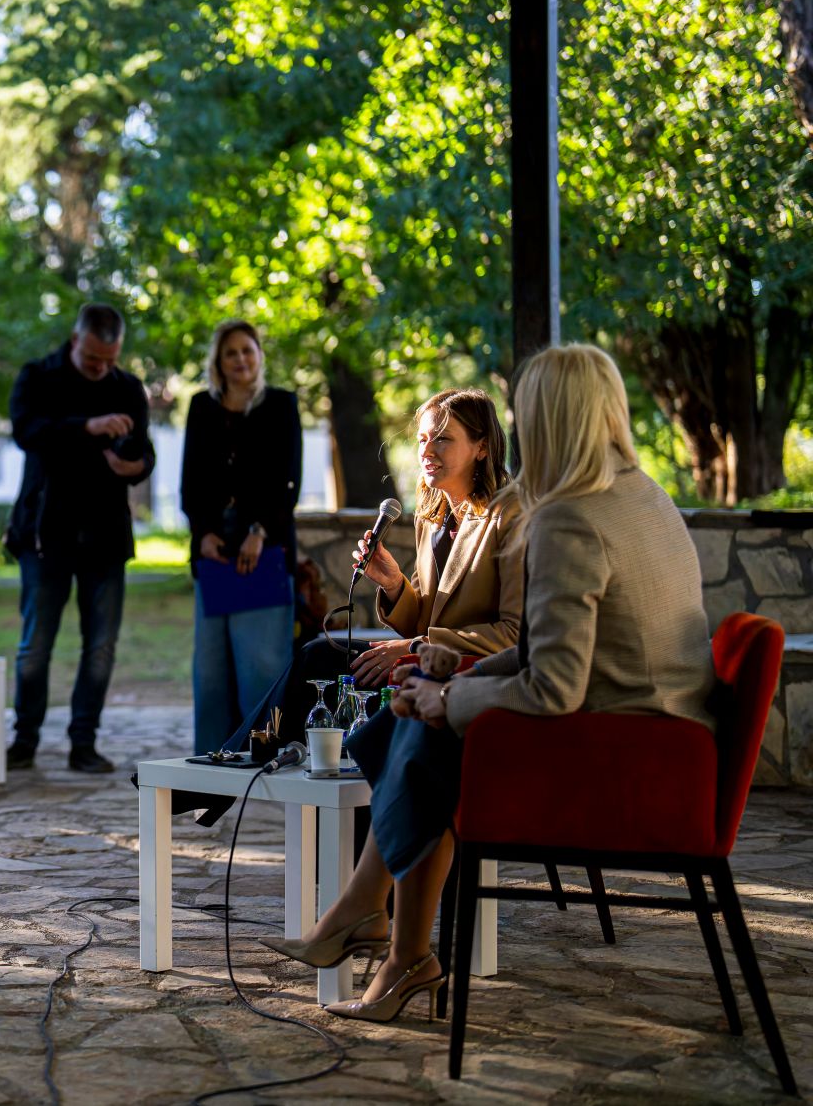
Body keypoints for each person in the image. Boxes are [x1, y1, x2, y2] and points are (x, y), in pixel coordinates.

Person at [262, 344, 716, 1023]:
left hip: (628, 756)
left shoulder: (565, 517)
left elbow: (555, 682)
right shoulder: (643, 495)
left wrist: (450, 692)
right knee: (415, 714)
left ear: (547, 418)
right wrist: (444, 672)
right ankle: (389, 941)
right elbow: (546, 649)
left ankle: (374, 923)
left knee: (435, 728)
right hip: (660, 735)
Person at [276, 387, 521, 733]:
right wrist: (393, 585)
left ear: (481, 447)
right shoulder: (433, 518)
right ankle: (256, 752)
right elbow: (421, 620)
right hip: (423, 655)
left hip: (468, 670)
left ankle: (255, 755)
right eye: (422, 440)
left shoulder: (511, 515)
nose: (427, 451)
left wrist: (419, 647)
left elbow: (514, 635)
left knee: (321, 661)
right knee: (317, 655)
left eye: (443, 439)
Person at [3, 303, 155, 774]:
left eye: (110, 360)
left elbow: (143, 451)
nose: (101, 368)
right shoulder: (38, 377)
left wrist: (136, 467)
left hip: (106, 536)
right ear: (75, 340)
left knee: (100, 647)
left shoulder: (128, 389)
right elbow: (26, 432)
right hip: (46, 532)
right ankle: (24, 739)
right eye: (93, 359)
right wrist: (86, 428)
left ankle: (83, 742)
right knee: (35, 645)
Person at [180, 320, 302, 754]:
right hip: (214, 555)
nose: (240, 360)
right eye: (230, 352)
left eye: (247, 350)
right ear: (218, 361)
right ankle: (210, 764)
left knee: (263, 669)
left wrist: (259, 532)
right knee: (211, 672)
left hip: (264, 554)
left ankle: (265, 755)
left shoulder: (282, 405)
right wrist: (202, 535)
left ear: (259, 355)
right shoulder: (201, 407)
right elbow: (190, 482)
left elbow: (290, 480)